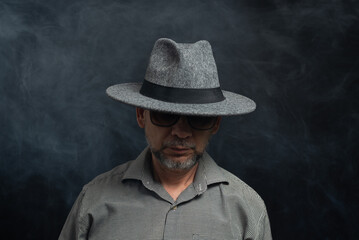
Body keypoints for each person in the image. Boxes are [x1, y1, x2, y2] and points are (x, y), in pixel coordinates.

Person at [59, 38, 272, 240]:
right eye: (165, 116)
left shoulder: (248, 209)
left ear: (215, 124)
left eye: (198, 119)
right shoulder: (94, 200)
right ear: (141, 115)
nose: (181, 132)